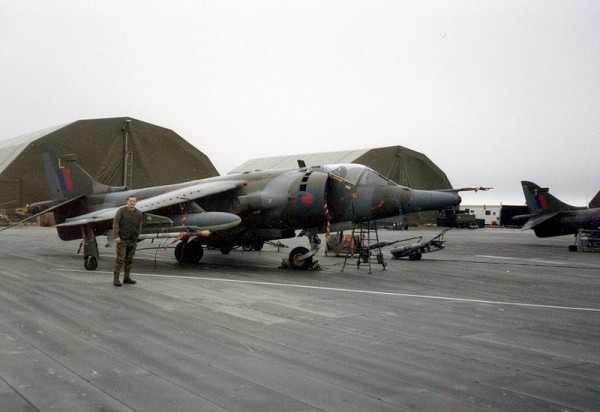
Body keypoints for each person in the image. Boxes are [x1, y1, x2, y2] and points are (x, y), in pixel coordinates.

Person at [112, 195, 143, 286]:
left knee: (130, 260)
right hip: (122, 240)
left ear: (136, 202)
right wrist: (116, 236)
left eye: (134, 201)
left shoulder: (138, 213)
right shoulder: (121, 211)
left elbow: (139, 226)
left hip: (132, 240)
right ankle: (116, 279)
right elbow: (116, 224)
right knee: (120, 259)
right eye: (130, 201)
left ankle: (126, 277)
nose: (132, 202)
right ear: (127, 202)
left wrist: (137, 236)